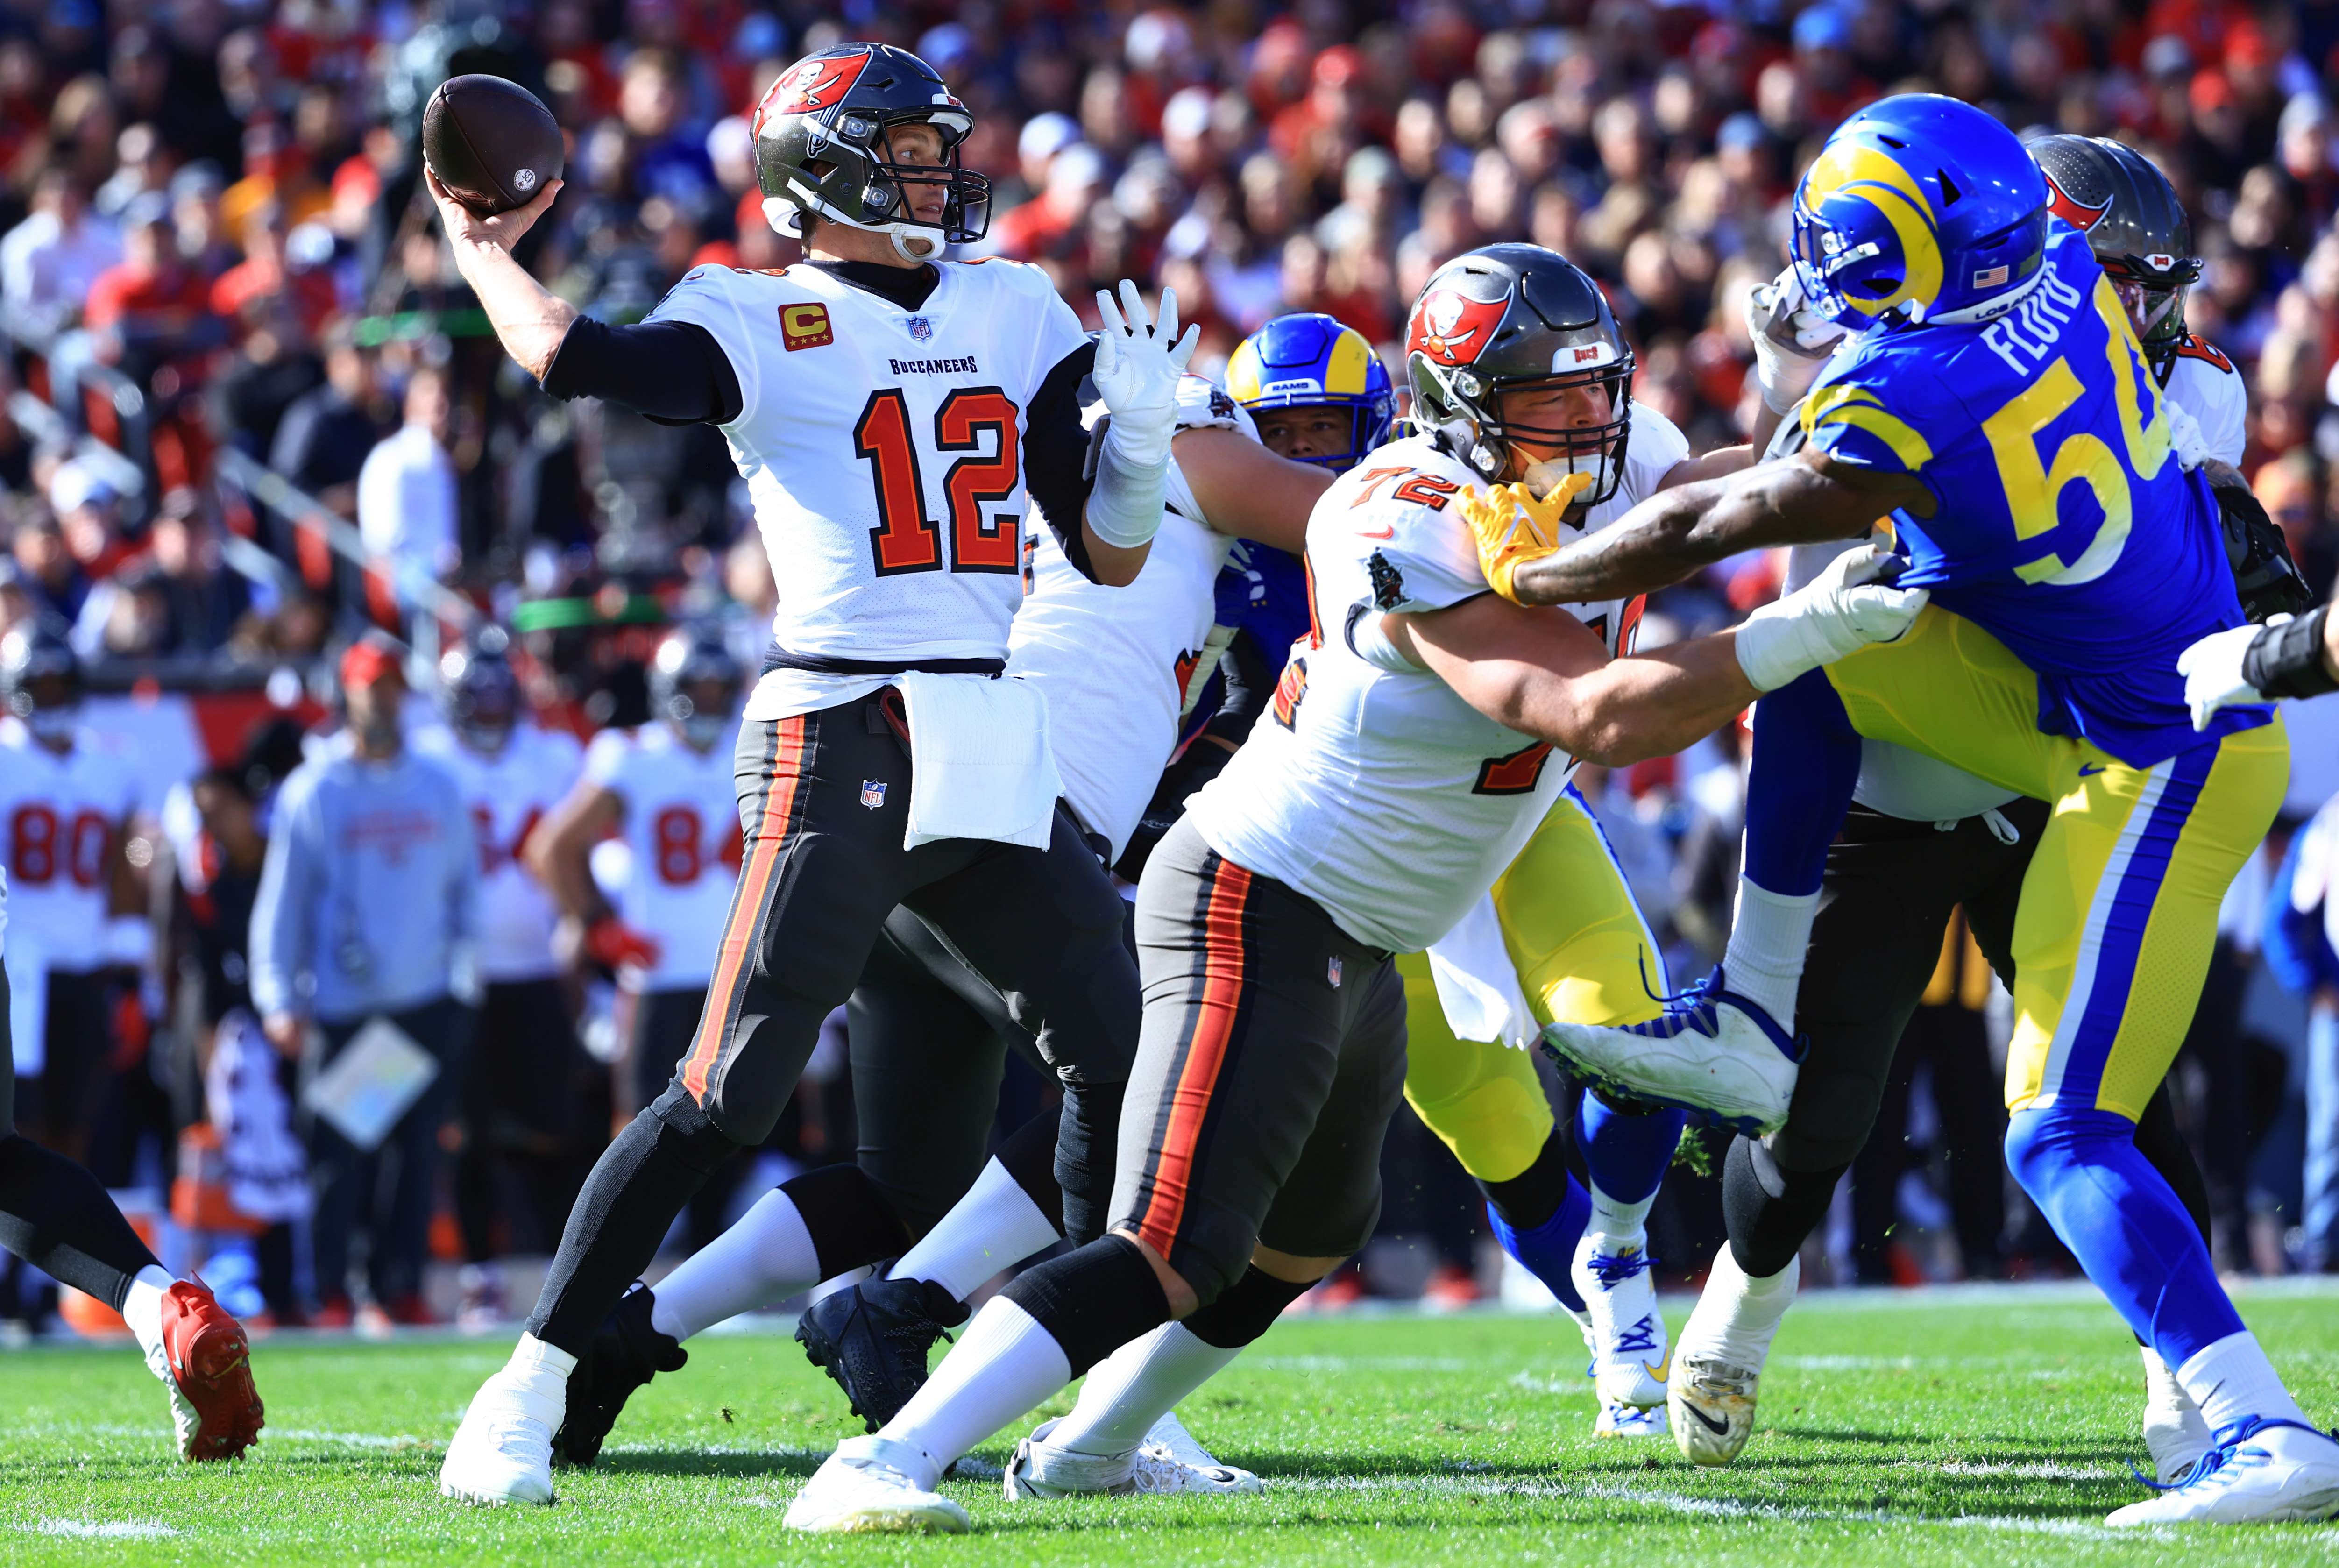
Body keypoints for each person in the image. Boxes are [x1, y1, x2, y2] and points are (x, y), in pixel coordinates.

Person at [778, 241, 1928, 1533]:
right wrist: (1810, 625)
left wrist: (1896, 462)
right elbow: (1586, 710)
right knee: (1176, 1239)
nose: (1591, 421)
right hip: (1255, 895)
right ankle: (885, 1459)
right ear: (1460, 402)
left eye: (1596, 389)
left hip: (1365, 923)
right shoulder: (1397, 514)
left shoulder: (1587, 447)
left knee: (1306, 1233)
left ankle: (1091, 1444)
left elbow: (1723, 496)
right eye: (1551, 399)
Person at [1510, 96, 2334, 1526]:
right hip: (2028, 739)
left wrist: (1532, 581)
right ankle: (1754, 1035)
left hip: (2126, 758)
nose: (2144, 291)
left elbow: (1741, 512)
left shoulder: (1934, 376)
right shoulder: (2062, 290)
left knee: (2070, 1128)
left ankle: (2242, 1419)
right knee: (1814, 657)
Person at [432, 43, 1190, 1508]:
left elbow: (1105, 553)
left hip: (986, 726)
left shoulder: (1014, 306)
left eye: (933, 147)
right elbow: (571, 358)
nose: (937, 172)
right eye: (906, 150)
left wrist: (1139, 451)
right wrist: (478, 251)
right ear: (824, 169)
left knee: (1124, 1052)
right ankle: (521, 1389)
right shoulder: (754, 311)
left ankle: (1074, 1403)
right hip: (838, 724)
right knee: (730, 1088)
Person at [552, 325, 1338, 1485]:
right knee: (1144, 1086)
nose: (1308, 456)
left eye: (1330, 435)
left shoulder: (1093, 465)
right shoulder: (1189, 439)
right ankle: (1005, 1352)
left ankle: (640, 1323)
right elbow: (1345, 523)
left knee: (903, 1179)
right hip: (1019, 823)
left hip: (928, 810)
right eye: (1301, 432)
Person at [1652, 132, 2248, 1481]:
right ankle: (1746, 1294)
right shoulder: (1910, 362)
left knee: (2117, 1096)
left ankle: (2185, 1377)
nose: (2147, 311)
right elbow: (1798, 551)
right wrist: (1790, 374)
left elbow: (2184, 480)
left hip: (2060, 768)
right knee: (1821, 1115)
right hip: (1895, 773)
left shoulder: (2172, 386)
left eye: (2150, 285)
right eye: (2121, 278)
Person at [248, 636, 477, 1329]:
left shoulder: (436, 784)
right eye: (368, 685)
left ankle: (398, 1287)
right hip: (350, 1006)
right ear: (345, 693)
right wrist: (278, 994)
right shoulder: (317, 789)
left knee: (413, 1159)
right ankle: (328, 1292)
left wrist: (465, 983)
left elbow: (465, 885)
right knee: (337, 1160)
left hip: (423, 998)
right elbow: (282, 902)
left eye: (390, 685)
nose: (381, 699)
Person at [526, 628, 747, 1256]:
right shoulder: (631, 756)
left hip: (733, 971)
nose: (707, 703)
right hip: (657, 973)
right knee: (645, 1125)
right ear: (668, 693)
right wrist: (599, 926)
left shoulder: (749, 745)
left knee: (735, 1118)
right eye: (696, 690)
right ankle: (620, 1254)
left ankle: (712, 1250)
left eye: (717, 690)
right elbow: (553, 849)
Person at [413, 628, 590, 1327]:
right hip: (459, 974)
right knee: (466, 1130)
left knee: (555, 1124)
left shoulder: (553, 758)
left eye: (497, 700)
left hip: (540, 964)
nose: (488, 713)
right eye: (476, 701)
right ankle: (479, 1272)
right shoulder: (427, 762)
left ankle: (560, 1265)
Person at [0, 624, 142, 1181]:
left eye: (62, 685)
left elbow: (125, 862)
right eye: (42, 685)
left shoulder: (113, 767)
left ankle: (56, 1257)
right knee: (18, 1119)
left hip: (84, 962)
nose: (53, 696)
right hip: (15, 967)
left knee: (75, 1121)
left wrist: (129, 966)